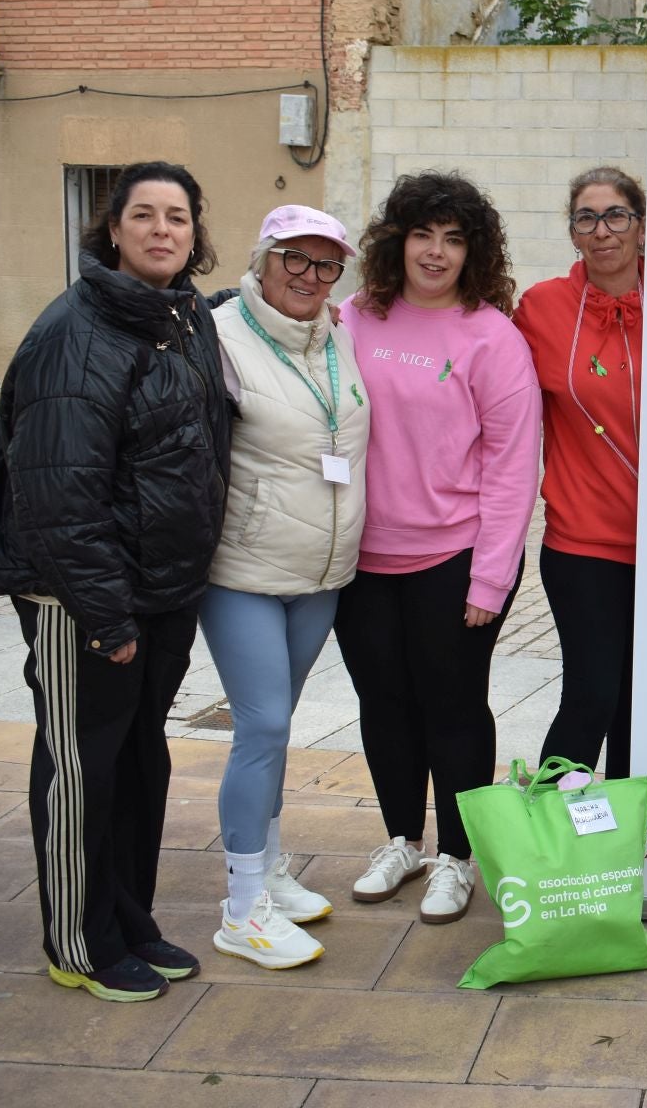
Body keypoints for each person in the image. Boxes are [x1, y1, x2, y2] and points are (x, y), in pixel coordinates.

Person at [0, 162, 231, 1002]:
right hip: (85, 600)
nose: (160, 230)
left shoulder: (180, 319)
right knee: (84, 766)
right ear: (111, 230)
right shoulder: (78, 332)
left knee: (140, 761)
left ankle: (129, 919)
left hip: (159, 593)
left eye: (176, 217)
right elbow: (58, 494)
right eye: (142, 215)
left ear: (194, 234)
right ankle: (78, 942)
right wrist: (107, 617)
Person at [334, 172, 540, 925]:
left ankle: (457, 854)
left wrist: (491, 578)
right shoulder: (355, 318)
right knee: (382, 702)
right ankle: (401, 840)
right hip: (359, 556)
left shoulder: (492, 337)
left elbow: (513, 467)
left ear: (473, 253)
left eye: (454, 239)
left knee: (452, 707)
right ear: (398, 241)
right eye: (424, 234)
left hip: (453, 557)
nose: (436, 251)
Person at [199, 205, 370, 970]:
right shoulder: (222, 336)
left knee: (278, 728)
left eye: (325, 264)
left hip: (322, 572)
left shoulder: (335, 335)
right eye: (293, 261)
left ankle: (267, 869)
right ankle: (241, 910)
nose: (308, 277)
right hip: (242, 570)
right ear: (263, 261)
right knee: (261, 728)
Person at [512, 166, 645, 778]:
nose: (603, 231)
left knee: (642, 706)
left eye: (616, 215)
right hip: (583, 545)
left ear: (641, 228)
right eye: (586, 218)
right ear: (572, 233)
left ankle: (623, 849)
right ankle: (550, 839)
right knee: (591, 697)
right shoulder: (542, 308)